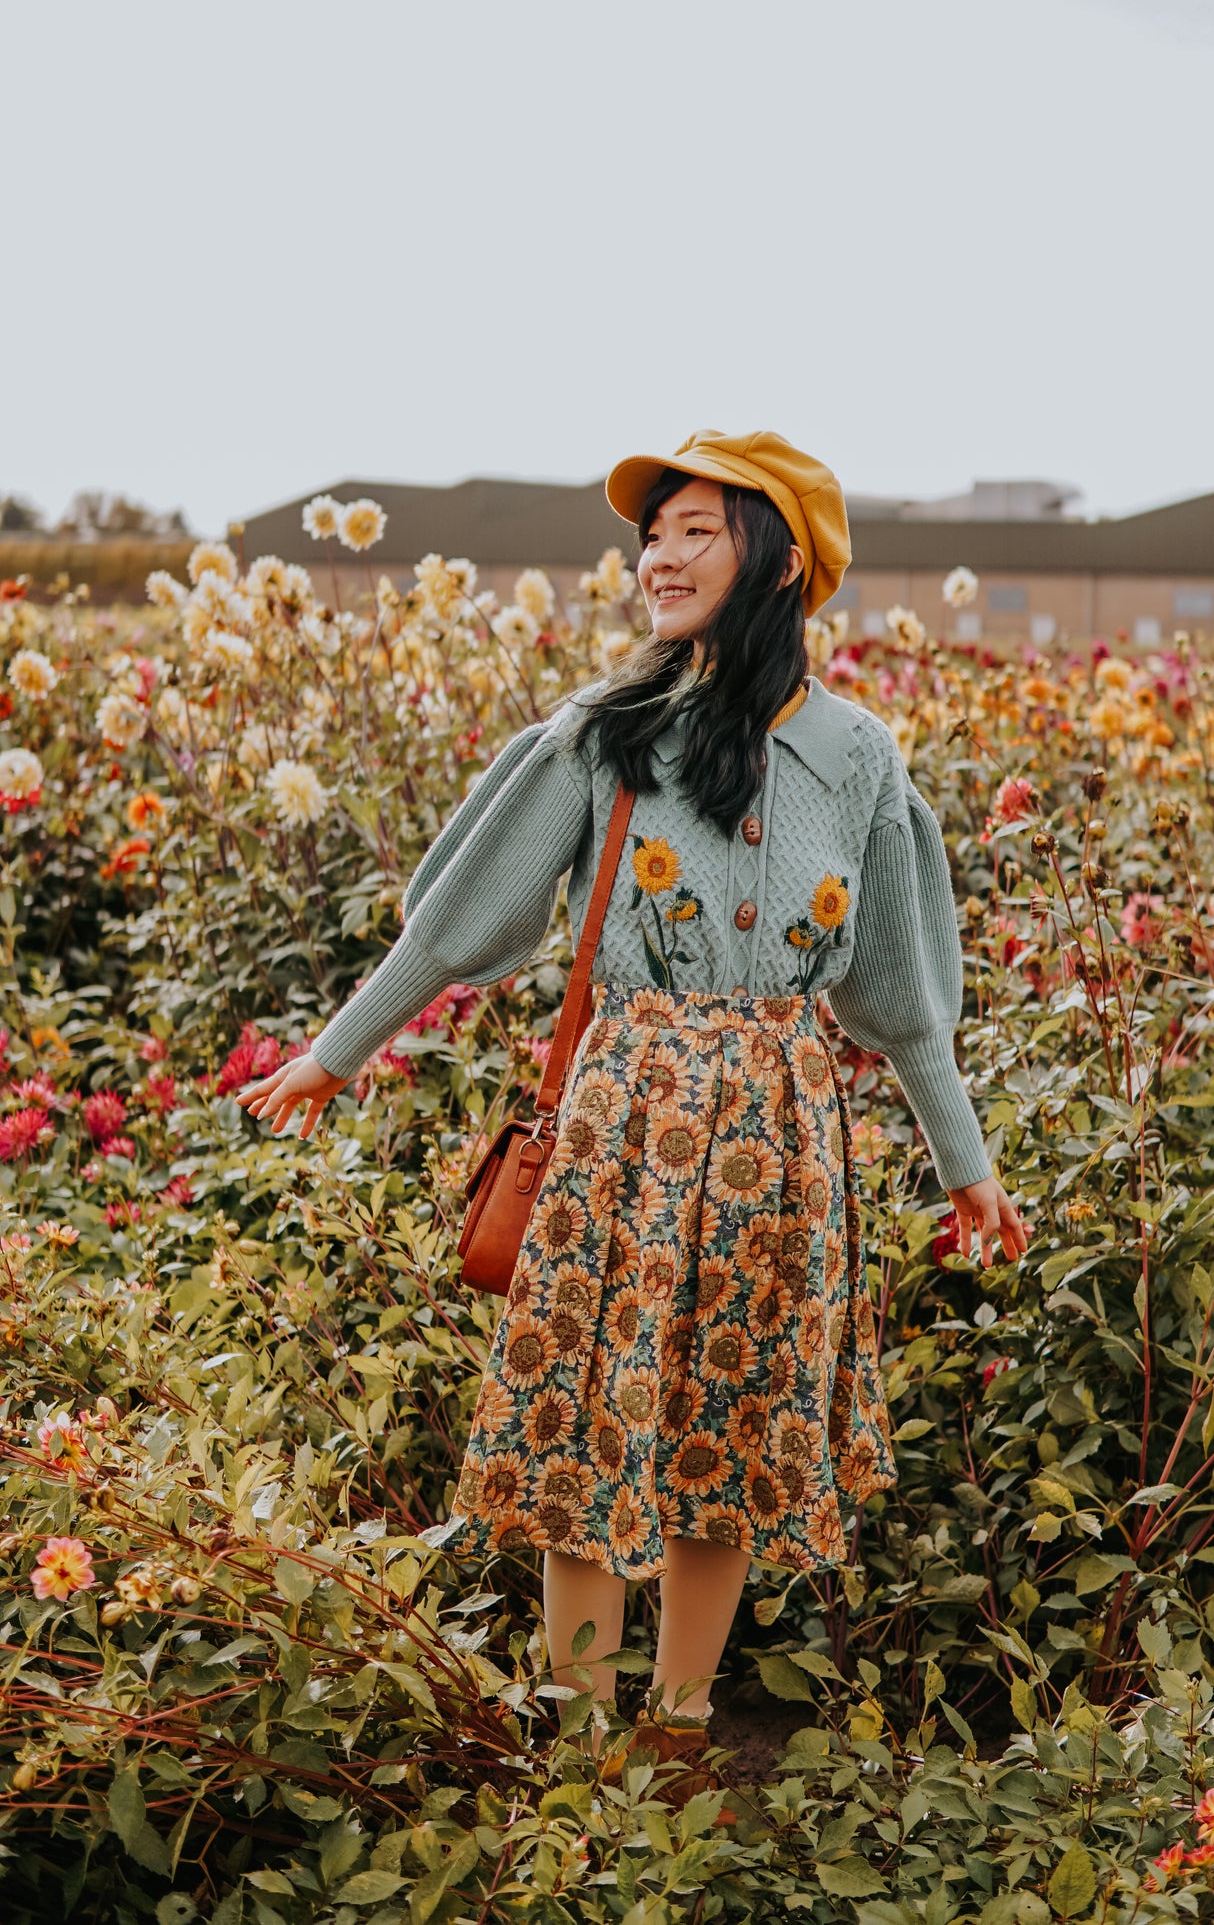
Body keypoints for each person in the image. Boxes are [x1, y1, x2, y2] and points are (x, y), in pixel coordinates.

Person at [238, 427, 1027, 1772]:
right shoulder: (603, 733)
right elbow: (459, 922)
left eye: (693, 531)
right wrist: (333, 1050)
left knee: (728, 1443)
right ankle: (575, 1751)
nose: (655, 557)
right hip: (625, 1125)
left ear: (778, 563)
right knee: (582, 1443)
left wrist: (966, 1172)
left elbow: (899, 1000)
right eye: (651, 533)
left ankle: (672, 1736)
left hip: (785, 1139)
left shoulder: (859, 757)